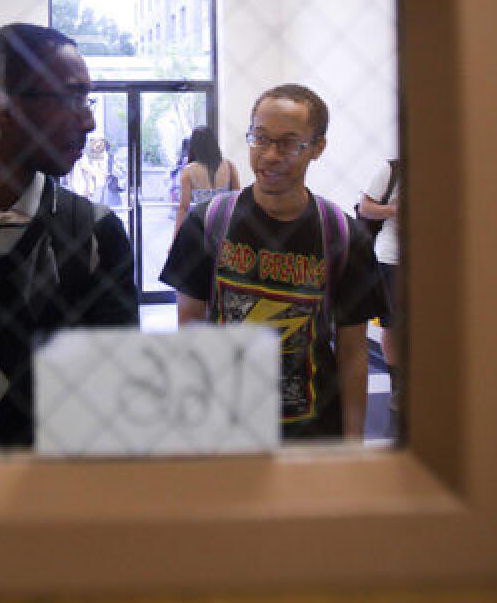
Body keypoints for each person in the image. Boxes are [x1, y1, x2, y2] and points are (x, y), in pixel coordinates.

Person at [0, 23, 139, 448]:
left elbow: (117, 401)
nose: (89, 120)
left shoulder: (96, 234)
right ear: (4, 109)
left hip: (55, 500)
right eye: (72, 97)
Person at [160, 84, 382, 442]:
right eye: (260, 139)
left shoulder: (343, 235)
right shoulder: (207, 223)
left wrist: (353, 441)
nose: (271, 155)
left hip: (311, 431)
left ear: (318, 148)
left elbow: (354, 350)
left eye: (290, 143)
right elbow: (189, 323)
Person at [358, 158, 402, 430]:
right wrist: (392, 210)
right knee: (393, 325)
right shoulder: (392, 170)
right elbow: (365, 208)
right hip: (392, 259)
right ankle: (398, 385)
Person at [175, 126, 240, 229]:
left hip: (201, 226)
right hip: (225, 225)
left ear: (193, 146)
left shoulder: (188, 171)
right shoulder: (229, 166)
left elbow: (183, 208)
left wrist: (176, 239)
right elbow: (237, 201)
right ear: (214, 144)